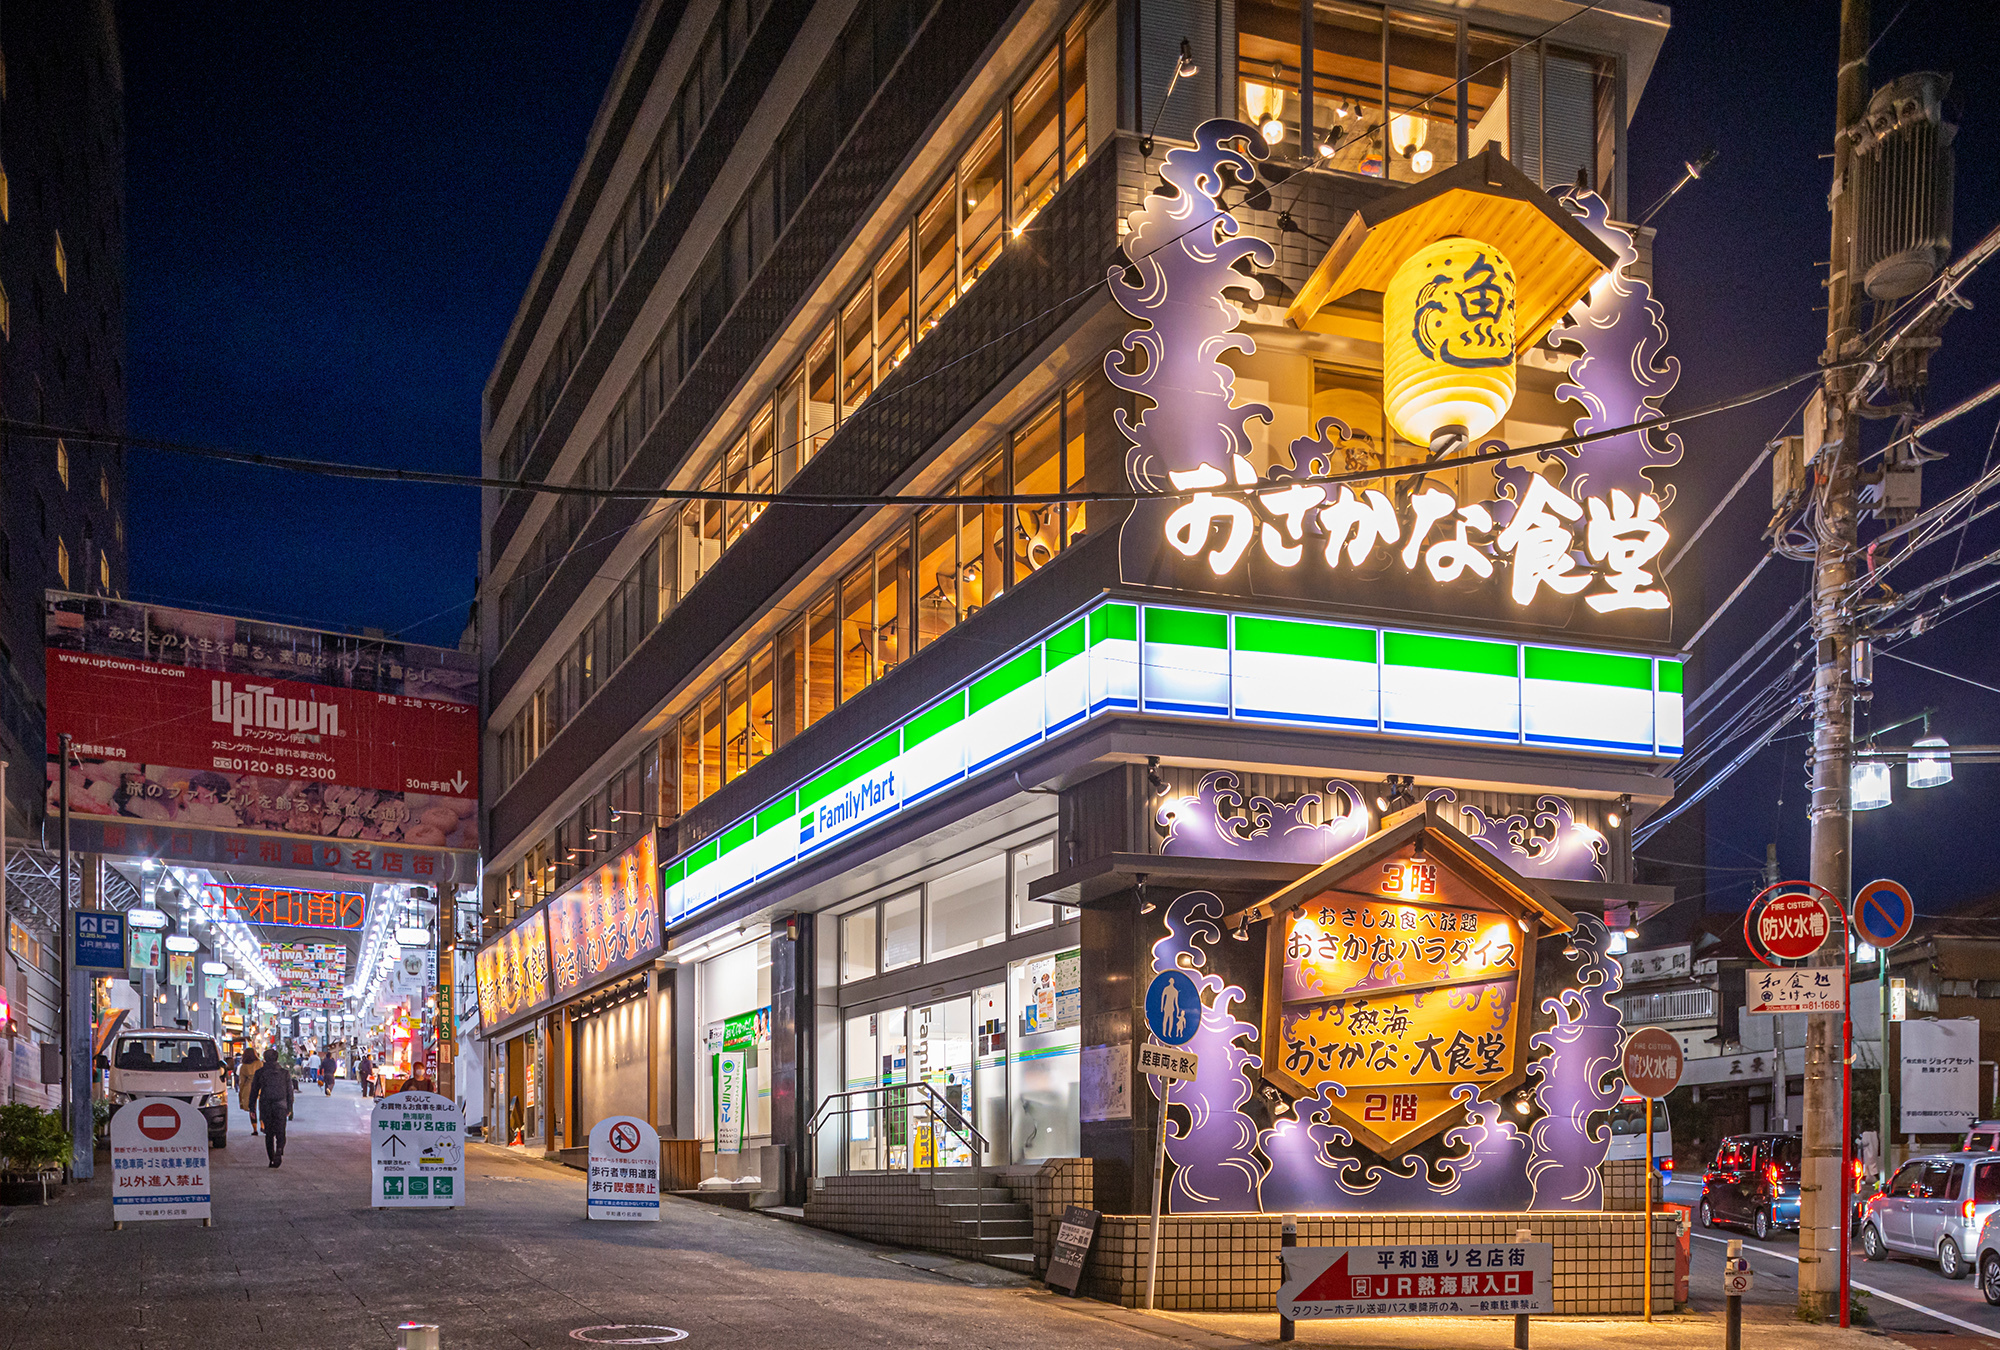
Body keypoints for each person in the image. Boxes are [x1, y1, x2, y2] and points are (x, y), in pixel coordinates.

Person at [247, 1047, 294, 1167]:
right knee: (280, 1131)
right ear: (277, 1059)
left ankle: (271, 1158)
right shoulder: (284, 1073)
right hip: (281, 1105)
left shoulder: (260, 1072)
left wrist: (251, 1107)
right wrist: (289, 1108)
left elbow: (254, 1091)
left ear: (265, 1059)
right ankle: (279, 1151)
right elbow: (289, 1091)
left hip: (266, 1105)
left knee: (269, 1133)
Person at [238, 1043, 261, 1136]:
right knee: (262, 1107)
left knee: (252, 1108)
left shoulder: (243, 1067)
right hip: (260, 1086)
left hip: (249, 1087)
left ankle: (255, 1128)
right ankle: (263, 1125)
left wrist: (241, 1092)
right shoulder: (260, 1063)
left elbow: (241, 1082)